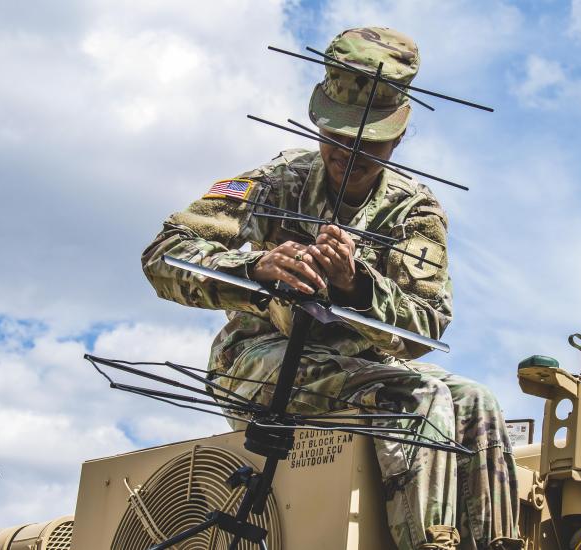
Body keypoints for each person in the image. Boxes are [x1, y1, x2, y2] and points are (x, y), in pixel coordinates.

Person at [141, 27, 519, 550]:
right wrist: (255, 271)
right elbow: (164, 256)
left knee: (477, 402)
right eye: (337, 136)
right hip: (258, 360)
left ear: (400, 135)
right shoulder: (278, 181)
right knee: (415, 396)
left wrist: (357, 286)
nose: (350, 152)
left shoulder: (414, 211)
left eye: (369, 141)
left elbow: (427, 325)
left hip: (367, 363)